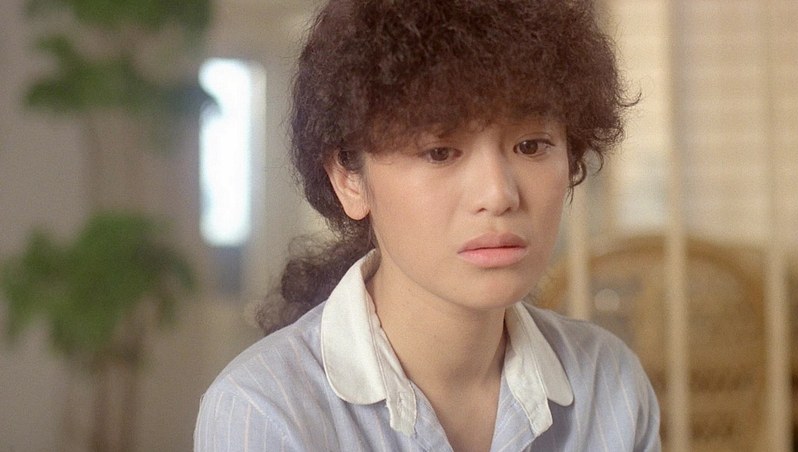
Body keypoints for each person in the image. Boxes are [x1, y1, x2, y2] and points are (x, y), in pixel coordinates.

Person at [195, 0, 660, 450]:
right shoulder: (266, 413)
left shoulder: (609, 385)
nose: (498, 194)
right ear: (349, 179)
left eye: (531, 146)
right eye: (440, 152)